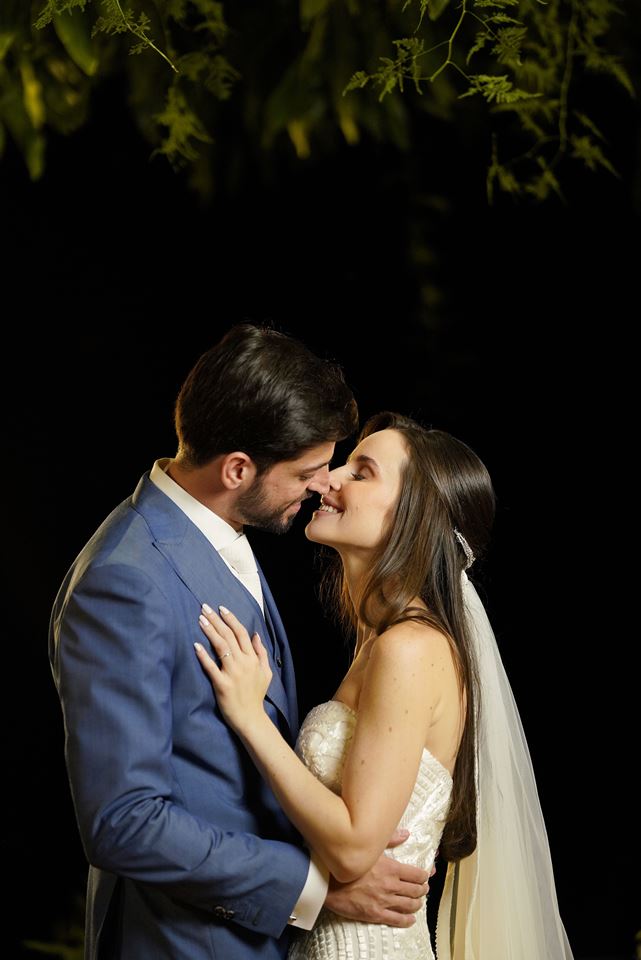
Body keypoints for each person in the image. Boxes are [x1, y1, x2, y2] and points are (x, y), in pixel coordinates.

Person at [48, 327, 432, 960]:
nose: (323, 484)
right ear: (237, 469)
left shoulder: (223, 526)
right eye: (308, 471)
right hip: (182, 941)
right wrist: (315, 889)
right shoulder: (124, 582)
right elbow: (124, 822)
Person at [194, 411, 575, 959]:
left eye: (362, 471)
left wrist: (252, 720)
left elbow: (352, 848)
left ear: (413, 518)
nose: (329, 479)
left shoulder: (410, 648)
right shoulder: (383, 642)